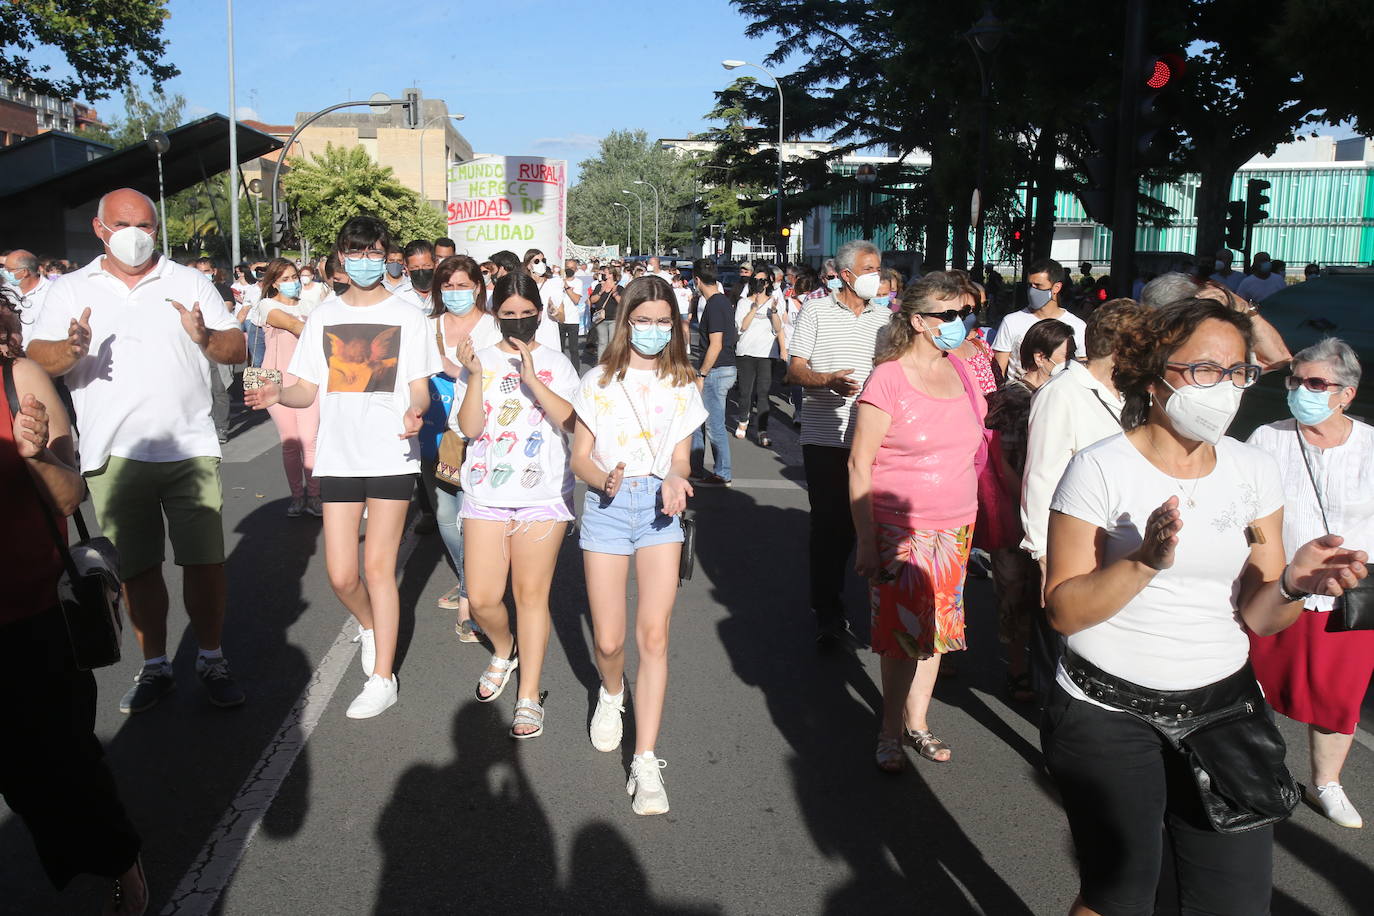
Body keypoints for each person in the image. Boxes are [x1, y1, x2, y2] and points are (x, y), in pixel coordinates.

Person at [1042, 298, 1367, 916]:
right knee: (1121, 896)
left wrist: (1295, 584)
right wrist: (1142, 561)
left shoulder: (1253, 468)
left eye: (1239, 372)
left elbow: (1261, 615)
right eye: (1205, 371)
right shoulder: (1099, 468)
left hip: (1224, 707)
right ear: (1154, 372)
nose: (1226, 389)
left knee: (1235, 901)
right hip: (1106, 707)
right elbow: (1064, 611)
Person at [28, 187, 248, 715]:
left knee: (205, 563)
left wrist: (204, 337)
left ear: (157, 229)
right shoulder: (70, 289)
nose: (135, 235)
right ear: (100, 230)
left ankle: (212, 658)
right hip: (113, 453)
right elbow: (38, 355)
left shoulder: (189, 280)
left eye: (146, 225)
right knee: (138, 569)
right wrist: (72, 349)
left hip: (188, 446)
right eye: (123, 224)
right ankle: (156, 666)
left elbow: (236, 346)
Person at [245, 216, 438, 719]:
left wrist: (417, 410)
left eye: (374, 251)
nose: (366, 260)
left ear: (386, 255)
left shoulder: (409, 314)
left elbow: (419, 383)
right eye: (356, 252)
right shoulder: (323, 317)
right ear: (340, 259)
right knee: (339, 574)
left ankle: (383, 677)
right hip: (339, 455)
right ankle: (371, 627)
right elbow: (305, 387)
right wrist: (276, 391)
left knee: (378, 567)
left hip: (392, 452)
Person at [0, 292, 147, 916]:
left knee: (59, 761)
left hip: (29, 609)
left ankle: (119, 860)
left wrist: (33, 456)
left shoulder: (18, 378)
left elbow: (67, 498)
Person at [569, 275, 707, 815]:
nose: (652, 330)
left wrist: (676, 480)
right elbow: (580, 455)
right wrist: (600, 478)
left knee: (653, 637)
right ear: (625, 321)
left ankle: (646, 760)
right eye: (642, 320)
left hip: (659, 512)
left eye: (662, 322)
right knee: (609, 641)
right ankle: (610, 693)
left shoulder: (683, 383)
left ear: (674, 325)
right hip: (606, 507)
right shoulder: (598, 380)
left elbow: (680, 459)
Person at [849, 271, 987, 771]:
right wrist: (866, 539)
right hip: (900, 531)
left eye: (964, 314)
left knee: (938, 635)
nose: (959, 323)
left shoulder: (964, 371)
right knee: (902, 638)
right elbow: (859, 461)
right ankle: (889, 731)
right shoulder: (888, 378)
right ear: (918, 321)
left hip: (956, 527)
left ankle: (919, 723)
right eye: (948, 315)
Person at [1247, 338, 1374, 829]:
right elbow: (1249, 513)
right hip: (1276, 585)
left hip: (1349, 597)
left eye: (1316, 383)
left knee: (1338, 696)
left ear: (1346, 394)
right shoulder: (1267, 438)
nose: (1302, 391)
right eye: (1296, 381)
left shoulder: (1369, 445)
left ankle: (1327, 784)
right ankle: (1255, 770)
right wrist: (1260, 548)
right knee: (1255, 684)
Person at [452, 272, 579, 740]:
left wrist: (532, 378)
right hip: (486, 493)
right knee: (483, 599)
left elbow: (571, 420)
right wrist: (477, 375)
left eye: (528, 314)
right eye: (509, 315)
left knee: (531, 597)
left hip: (542, 497)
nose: (520, 322)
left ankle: (529, 695)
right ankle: (504, 650)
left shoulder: (557, 362)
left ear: (540, 315)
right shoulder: (478, 360)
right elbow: (467, 429)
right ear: (495, 314)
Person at [786, 239, 890, 645]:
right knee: (829, 525)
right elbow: (795, 371)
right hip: (825, 437)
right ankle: (827, 610)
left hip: (873, 438)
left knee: (867, 524)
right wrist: (827, 380)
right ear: (846, 275)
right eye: (869, 269)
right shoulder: (815, 310)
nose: (876, 276)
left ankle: (876, 608)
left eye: (878, 268)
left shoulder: (885, 320)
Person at [985, 319, 1076, 703]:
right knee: (1016, 593)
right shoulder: (1015, 398)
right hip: (1017, 509)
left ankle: (1039, 668)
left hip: (1047, 508)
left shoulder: (1061, 393)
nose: (1072, 364)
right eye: (1066, 357)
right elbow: (1003, 461)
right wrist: (1024, 502)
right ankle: (1018, 670)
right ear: (1040, 357)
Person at [421, 255, 501, 642]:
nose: (455, 293)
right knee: (446, 518)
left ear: (478, 286)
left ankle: (472, 598)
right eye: (448, 286)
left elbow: (498, 375)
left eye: (462, 285)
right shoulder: (426, 326)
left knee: (477, 518)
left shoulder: (492, 326)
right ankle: (470, 582)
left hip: (480, 436)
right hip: (433, 435)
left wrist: (453, 368)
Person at [252, 258, 322, 518]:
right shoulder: (267, 306)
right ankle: (297, 496)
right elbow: (293, 325)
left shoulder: (312, 305)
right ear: (273, 284)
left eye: (295, 276)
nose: (293, 282)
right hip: (276, 382)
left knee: (310, 440)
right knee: (290, 442)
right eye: (286, 279)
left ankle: (314, 495)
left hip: (308, 381)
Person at [991, 258, 1087, 379]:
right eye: (1030, 285)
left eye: (1038, 286)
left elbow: (1082, 367)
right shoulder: (1011, 322)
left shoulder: (1077, 326)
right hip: (1020, 395)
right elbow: (998, 370)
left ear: (1056, 288)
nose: (1032, 291)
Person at [688, 259, 737, 486]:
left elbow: (716, 344)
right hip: (721, 369)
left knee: (714, 424)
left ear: (697, 280)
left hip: (717, 370)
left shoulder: (715, 305)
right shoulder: (722, 302)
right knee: (700, 420)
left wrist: (702, 374)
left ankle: (723, 472)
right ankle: (695, 468)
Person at [733, 276, 784, 447]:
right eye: (756, 280)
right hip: (746, 352)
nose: (759, 284)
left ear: (768, 284)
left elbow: (778, 329)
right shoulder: (743, 303)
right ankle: (743, 420)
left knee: (763, 393)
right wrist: (753, 309)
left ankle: (763, 431)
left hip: (767, 354)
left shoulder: (774, 302)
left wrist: (774, 312)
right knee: (745, 392)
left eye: (763, 281)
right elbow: (742, 327)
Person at [3, 249, 52, 346]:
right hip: (10, 355)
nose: (4, 272)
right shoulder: (5, 291)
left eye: (8, 270)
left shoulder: (52, 292)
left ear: (24, 272)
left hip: (37, 356)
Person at [588, 266, 623, 359]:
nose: (603, 274)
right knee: (602, 342)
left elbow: (622, 302)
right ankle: (600, 364)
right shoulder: (599, 286)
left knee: (612, 342)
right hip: (601, 318)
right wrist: (600, 292)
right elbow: (592, 300)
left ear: (611, 275)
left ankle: (611, 363)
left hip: (614, 319)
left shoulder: (619, 288)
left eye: (605, 272)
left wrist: (615, 293)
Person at [402, 239, 437, 310]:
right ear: (407, 268)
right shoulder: (397, 296)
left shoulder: (446, 294)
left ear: (436, 265)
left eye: (426, 266)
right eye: (415, 267)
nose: (421, 271)